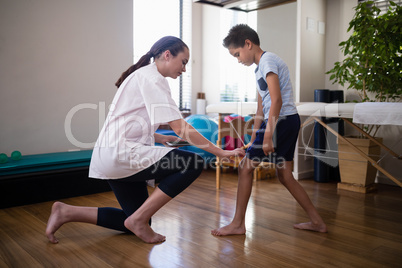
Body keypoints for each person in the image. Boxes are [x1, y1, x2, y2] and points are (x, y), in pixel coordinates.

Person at [46, 36, 244, 244]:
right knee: (193, 163)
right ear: (167, 55)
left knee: (132, 222)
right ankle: (139, 219)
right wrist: (220, 152)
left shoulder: (143, 75)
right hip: (121, 154)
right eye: (183, 62)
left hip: (113, 154)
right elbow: (179, 127)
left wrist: (157, 137)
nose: (184, 69)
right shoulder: (153, 78)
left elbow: (131, 121)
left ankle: (65, 212)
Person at [211, 25, 327, 236]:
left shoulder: (267, 61)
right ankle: (317, 222)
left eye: (237, 54)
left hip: (282, 120)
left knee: (245, 167)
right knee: (285, 175)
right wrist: (255, 135)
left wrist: (267, 135)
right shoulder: (259, 68)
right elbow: (260, 108)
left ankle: (237, 224)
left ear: (248, 43)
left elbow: (277, 100)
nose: (238, 59)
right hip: (286, 120)